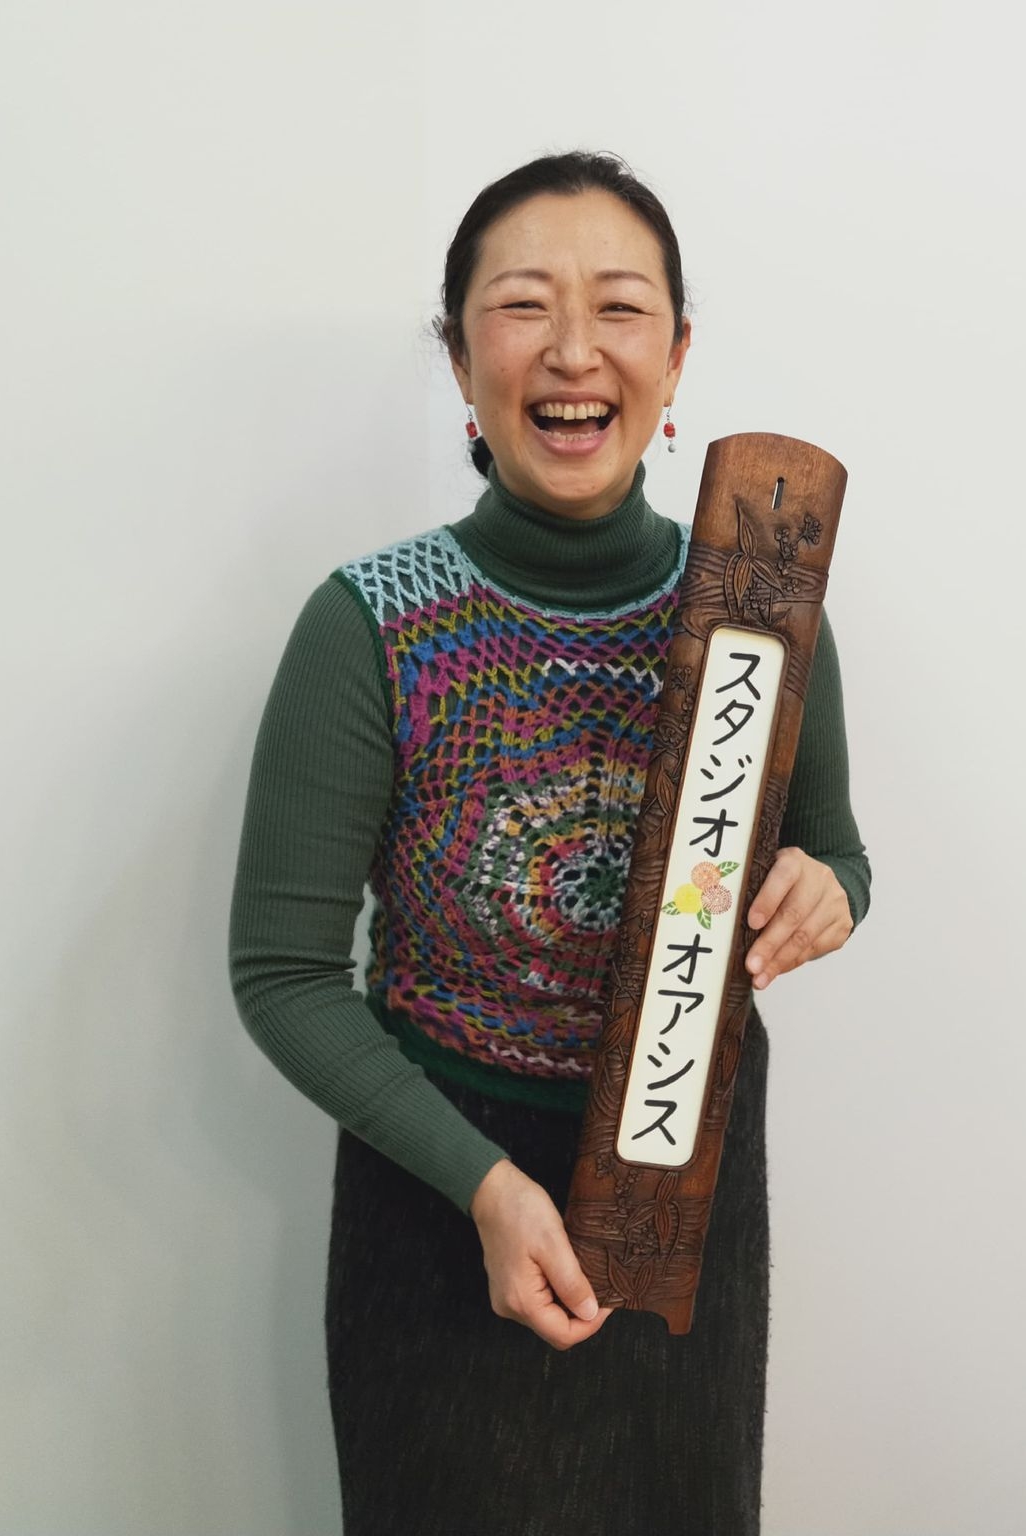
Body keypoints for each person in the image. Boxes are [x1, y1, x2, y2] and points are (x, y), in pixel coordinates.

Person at [227, 149, 872, 1536]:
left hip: (683, 1188)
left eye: (621, 307)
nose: (574, 350)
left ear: (677, 356)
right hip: (438, 1185)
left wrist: (829, 893)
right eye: (523, 305)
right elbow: (283, 975)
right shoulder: (370, 626)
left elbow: (839, 856)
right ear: (461, 360)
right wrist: (487, 1188)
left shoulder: (763, 606)